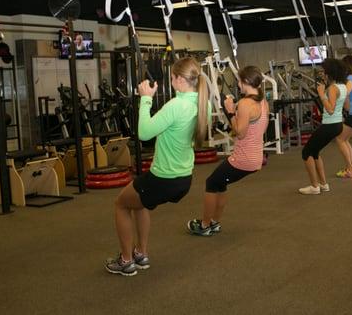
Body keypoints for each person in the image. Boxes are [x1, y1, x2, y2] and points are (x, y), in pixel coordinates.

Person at [105, 57, 209, 276]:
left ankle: (126, 261)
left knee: (121, 205)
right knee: (140, 203)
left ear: (180, 79)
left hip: (163, 179)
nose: (170, 80)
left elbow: (143, 133)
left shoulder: (176, 106)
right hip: (184, 178)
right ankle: (141, 253)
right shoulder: (202, 103)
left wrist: (145, 99)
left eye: (172, 77)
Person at [187, 66, 269, 236]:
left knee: (211, 183)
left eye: (239, 81)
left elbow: (239, 132)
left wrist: (231, 112)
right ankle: (214, 222)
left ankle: (204, 225)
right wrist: (232, 108)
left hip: (243, 159)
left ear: (246, 82)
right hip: (255, 157)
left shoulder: (246, 104)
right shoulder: (262, 102)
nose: (238, 84)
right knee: (220, 183)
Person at [299, 58, 347, 195]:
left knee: (306, 152)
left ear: (329, 73)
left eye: (324, 71)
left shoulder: (332, 88)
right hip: (337, 124)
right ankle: (323, 184)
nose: (323, 74)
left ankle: (315, 186)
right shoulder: (342, 86)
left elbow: (330, 109)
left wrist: (321, 94)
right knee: (314, 152)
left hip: (330, 125)